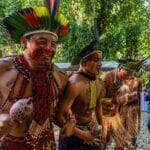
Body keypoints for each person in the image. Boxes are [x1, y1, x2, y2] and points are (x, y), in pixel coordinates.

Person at [0, 1, 69, 149]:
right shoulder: (3, 70)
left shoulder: (59, 77)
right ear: (24, 42)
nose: (49, 48)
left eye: (54, 44)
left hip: (46, 143)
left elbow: (62, 111)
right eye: (42, 41)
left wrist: (71, 123)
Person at [55, 37, 105, 150]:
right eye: (96, 60)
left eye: (100, 60)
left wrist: (102, 127)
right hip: (73, 135)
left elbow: (98, 106)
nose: (100, 64)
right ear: (84, 62)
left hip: (90, 129)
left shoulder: (98, 82)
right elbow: (59, 116)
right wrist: (82, 135)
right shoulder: (74, 84)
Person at [101, 62, 135, 150]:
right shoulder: (106, 78)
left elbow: (121, 98)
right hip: (102, 115)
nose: (128, 77)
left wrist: (125, 99)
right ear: (120, 69)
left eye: (130, 75)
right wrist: (115, 100)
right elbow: (97, 101)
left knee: (120, 143)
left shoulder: (123, 79)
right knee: (103, 141)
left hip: (114, 115)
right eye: (127, 74)